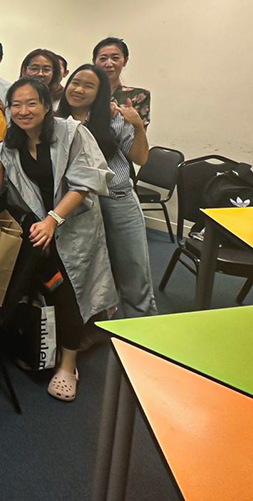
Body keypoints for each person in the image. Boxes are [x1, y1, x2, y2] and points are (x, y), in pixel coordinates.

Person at [0, 77, 118, 402]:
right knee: (49, 287)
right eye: (16, 105)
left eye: (31, 103)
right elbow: (10, 193)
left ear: (46, 105)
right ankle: (43, 345)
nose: (24, 111)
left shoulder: (72, 132)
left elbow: (87, 180)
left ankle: (68, 365)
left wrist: (54, 219)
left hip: (74, 230)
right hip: (41, 232)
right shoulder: (9, 147)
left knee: (69, 292)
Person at [57, 65, 156, 318]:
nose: (78, 89)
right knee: (92, 274)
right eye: (75, 83)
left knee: (133, 275)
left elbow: (141, 158)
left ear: (100, 93)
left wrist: (138, 127)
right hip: (80, 207)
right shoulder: (56, 122)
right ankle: (97, 332)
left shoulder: (113, 119)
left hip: (116, 201)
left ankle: (142, 338)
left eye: (88, 86)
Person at [93, 37, 150, 128]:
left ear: (125, 61)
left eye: (115, 58)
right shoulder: (87, 94)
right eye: (103, 59)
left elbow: (140, 136)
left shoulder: (138, 96)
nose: (109, 64)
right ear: (94, 62)